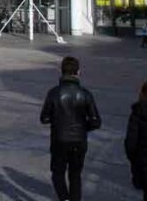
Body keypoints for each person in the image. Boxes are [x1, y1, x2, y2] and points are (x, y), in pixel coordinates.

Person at [40, 56, 101, 201]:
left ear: (61, 72)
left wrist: (58, 121)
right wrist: (82, 127)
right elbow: (96, 121)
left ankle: (64, 198)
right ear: (78, 72)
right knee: (75, 175)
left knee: (58, 173)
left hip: (59, 139)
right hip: (79, 141)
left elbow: (44, 118)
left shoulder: (54, 93)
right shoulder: (85, 93)